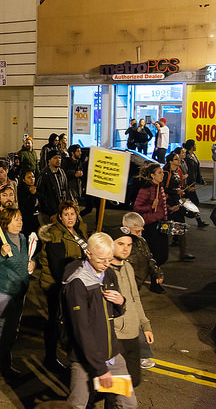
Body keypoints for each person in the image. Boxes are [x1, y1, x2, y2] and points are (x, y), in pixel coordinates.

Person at [62, 232, 137, 409]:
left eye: (110, 259)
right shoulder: (77, 284)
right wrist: (100, 369)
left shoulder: (109, 274)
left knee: (128, 404)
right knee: (77, 405)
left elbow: (112, 314)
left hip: (111, 355)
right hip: (85, 360)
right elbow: (82, 330)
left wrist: (121, 302)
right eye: (102, 259)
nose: (106, 264)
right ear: (88, 253)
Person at [0, 208, 34, 379]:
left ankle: (3, 360)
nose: (20, 222)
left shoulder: (22, 238)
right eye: (15, 219)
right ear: (6, 222)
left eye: (20, 218)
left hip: (18, 289)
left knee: (13, 328)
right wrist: (0, 255)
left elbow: (24, 259)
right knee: (5, 323)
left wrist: (32, 263)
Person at [37, 200, 88, 374]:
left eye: (72, 214)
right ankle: (50, 358)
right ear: (60, 217)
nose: (70, 217)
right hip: (57, 285)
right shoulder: (55, 234)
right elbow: (58, 267)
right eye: (66, 214)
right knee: (55, 321)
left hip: (76, 283)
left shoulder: (79, 231)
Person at [107, 227, 155, 387]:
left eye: (129, 244)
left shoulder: (128, 267)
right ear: (110, 245)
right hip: (115, 335)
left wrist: (145, 325)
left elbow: (135, 298)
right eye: (120, 244)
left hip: (133, 334)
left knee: (133, 380)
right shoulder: (104, 271)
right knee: (115, 386)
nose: (126, 248)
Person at [162, 153, 195, 261]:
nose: (178, 160)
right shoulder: (166, 173)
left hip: (176, 202)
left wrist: (185, 190)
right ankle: (162, 253)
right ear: (170, 161)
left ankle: (183, 253)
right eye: (176, 159)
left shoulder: (177, 171)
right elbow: (162, 188)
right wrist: (176, 191)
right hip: (168, 203)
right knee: (165, 228)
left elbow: (179, 186)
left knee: (181, 226)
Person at [36, 149, 71, 224]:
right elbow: (41, 196)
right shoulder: (44, 175)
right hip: (48, 213)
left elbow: (66, 190)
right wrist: (51, 213)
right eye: (55, 158)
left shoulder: (62, 172)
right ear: (49, 160)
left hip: (61, 210)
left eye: (59, 158)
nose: (58, 160)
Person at [183, 139, 209, 227]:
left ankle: (198, 221)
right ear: (191, 146)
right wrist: (186, 184)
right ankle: (198, 221)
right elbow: (186, 171)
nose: (196, 146)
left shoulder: (193, 156)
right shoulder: (186, 157)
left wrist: (201, 180)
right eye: (195, 144)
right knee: (194, 202)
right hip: (188, 184)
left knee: (186, 202)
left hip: (192, 183)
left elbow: (197, 170)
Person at [17, 170, 39, 238]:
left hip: (36, 219)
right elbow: (28, 205)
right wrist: (32, 195)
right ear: (23, 179)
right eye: (29, 177)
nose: (32, 179)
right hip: (27, 220)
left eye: (33, 177)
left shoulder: (36, 188)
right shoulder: (21, 191)